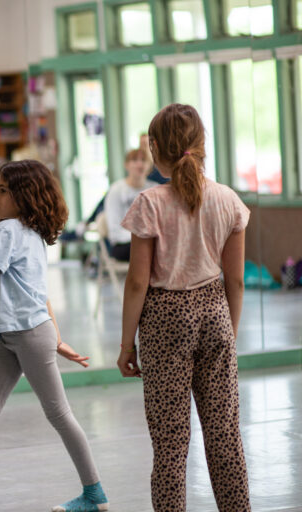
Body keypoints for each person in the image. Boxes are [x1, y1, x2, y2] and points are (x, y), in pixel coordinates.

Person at [0, 160, 109, 512]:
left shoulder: (8, 230)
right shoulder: (32, 234)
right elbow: (41, 294)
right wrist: (57, 338)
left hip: (28, 335)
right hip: (17, 336)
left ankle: (95, 495)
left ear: (24, 196)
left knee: (59, 414)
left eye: (3, 190)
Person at [117, 104, 251, 511]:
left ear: (155, 149)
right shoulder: (228, 200)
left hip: (165, 322)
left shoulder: (149, 203)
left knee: (171, 445)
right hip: (215, 313)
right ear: (202, 144)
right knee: (225, 436)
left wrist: (126, 344)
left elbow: (138, 282)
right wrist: (229, 333)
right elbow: (236, 281)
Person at [103, 148, 158, 261]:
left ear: (149, 166)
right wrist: (143, 237)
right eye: (134, 160)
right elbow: (115, 229)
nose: (139, 164)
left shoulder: (155, 189)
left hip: (150, 241)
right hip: (123, 244)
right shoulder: (116, 190)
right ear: (126, 165)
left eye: (143, 160)